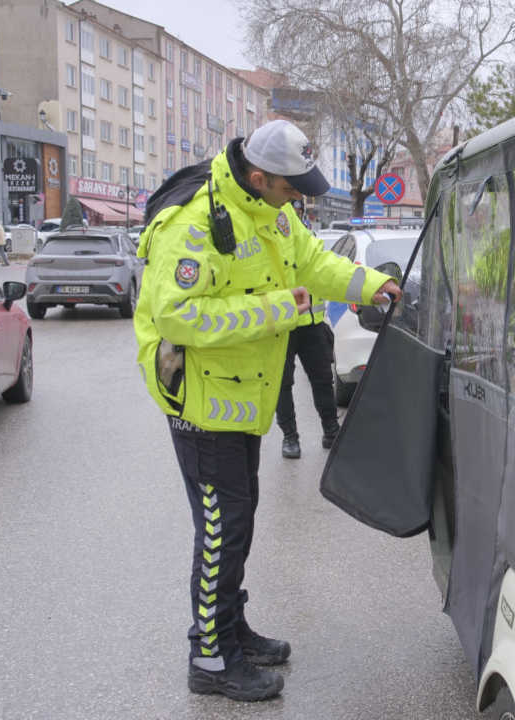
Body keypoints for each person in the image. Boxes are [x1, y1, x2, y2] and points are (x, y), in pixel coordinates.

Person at [133, 119, 401, 702]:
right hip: (202, 403)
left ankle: (230, 629)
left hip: (242, 399)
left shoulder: (272, 212)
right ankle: (209, 657)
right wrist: (280, 309)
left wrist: (371, 284)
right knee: (221, 529)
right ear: (258, 177)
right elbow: (178, 316)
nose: (298, 199)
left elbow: (314, 263)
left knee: (240, 519)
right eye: (291, 187)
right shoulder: (195, 224)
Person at [274, 292, 339, 459]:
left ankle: (331, 431)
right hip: (281, 328)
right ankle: (290, 437)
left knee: (323, 380)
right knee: (281, 384)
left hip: (313, 324)